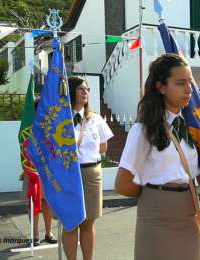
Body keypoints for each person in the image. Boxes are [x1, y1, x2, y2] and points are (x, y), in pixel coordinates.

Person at [114, 53, 200, 260]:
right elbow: (122, 184)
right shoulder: (143, 130)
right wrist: (154, 194)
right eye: (180, 83)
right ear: (161, 87)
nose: (189, 90)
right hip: (156, 216)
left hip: (189, 211)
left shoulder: (193, 127)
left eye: (190, 82)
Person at [62, 76, 113, 260]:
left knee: (88, 223)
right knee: (70, 223)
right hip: (68, 175)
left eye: (87, 89)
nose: (85, 92)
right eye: (81, 89)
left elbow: (103, 147)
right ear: (71, 91)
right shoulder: (60, 119)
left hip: (91, 174)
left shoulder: (95, 119)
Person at [20, 97, 57, 246]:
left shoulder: (50, 125)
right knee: (33, 200)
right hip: (31, 170)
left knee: (47, 202)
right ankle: (34, 234)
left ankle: (49, 233)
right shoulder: (28, 127)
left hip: (47, 170)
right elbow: (24, 146)